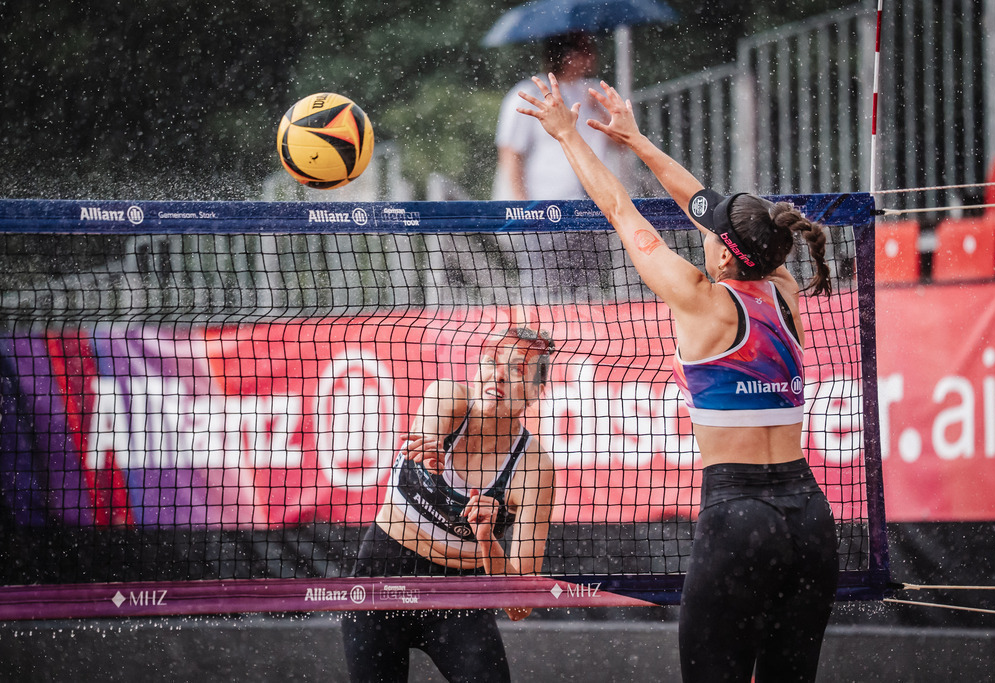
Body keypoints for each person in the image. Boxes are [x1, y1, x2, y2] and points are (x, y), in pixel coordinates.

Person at [517, 74, 840, 682]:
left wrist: (566, 135)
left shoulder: (700, 300)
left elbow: (618, 207)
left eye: (713, 233)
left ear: (722, 252)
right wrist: (637, 141)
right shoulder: (786, 289)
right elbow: (707, 209)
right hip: (809, 518)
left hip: (740, 515)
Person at [342, 326, 557, 683]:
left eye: (517, 369)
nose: (498, 374)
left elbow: (520, 606)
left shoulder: (535, 469)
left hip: (459, 597)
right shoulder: (448, 397)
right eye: (491, 361)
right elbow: (429, 428)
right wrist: (431, 447)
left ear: (535, 392)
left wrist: (488, 538)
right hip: (382, 578)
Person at [494, 32, 629, 303]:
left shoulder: (594, 91)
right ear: (568, 56)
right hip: (543, 208)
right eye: (586, 50)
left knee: (587, 290)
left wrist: (604, 114)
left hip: (592, 206)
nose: (593, 56)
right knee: (543, 290)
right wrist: (521, 206)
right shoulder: (529, 92)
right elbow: (510, 152)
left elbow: (624, 143)